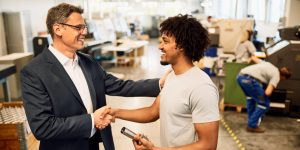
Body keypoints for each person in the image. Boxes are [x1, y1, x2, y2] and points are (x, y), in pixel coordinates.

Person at [20, 3, 165, 150]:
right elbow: (42, 127)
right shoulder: (34, 72)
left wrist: (160, 83)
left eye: (84, 27)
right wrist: (91, 121)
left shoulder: (87, 61)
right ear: (58, 29)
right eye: (78, 27)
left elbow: (119, 86)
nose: (84, 32)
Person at [110, 14, 220, 149]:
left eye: (165, 41)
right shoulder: (172, 77)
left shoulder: (202, 87)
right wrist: (115, 112)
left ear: (181, 46)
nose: (160, 47)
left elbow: (208, 145)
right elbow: (152, 112)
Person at [237, 56, 291, 133]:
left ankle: (251, 121)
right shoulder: (277, 76)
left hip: (240, 77)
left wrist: (248, 60)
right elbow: (267, 92)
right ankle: (252, 125)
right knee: (264, 104)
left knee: (251, 99)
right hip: (249, 81)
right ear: (284, 77)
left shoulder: (269, 65)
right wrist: (265, 95)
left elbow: (253, 57)